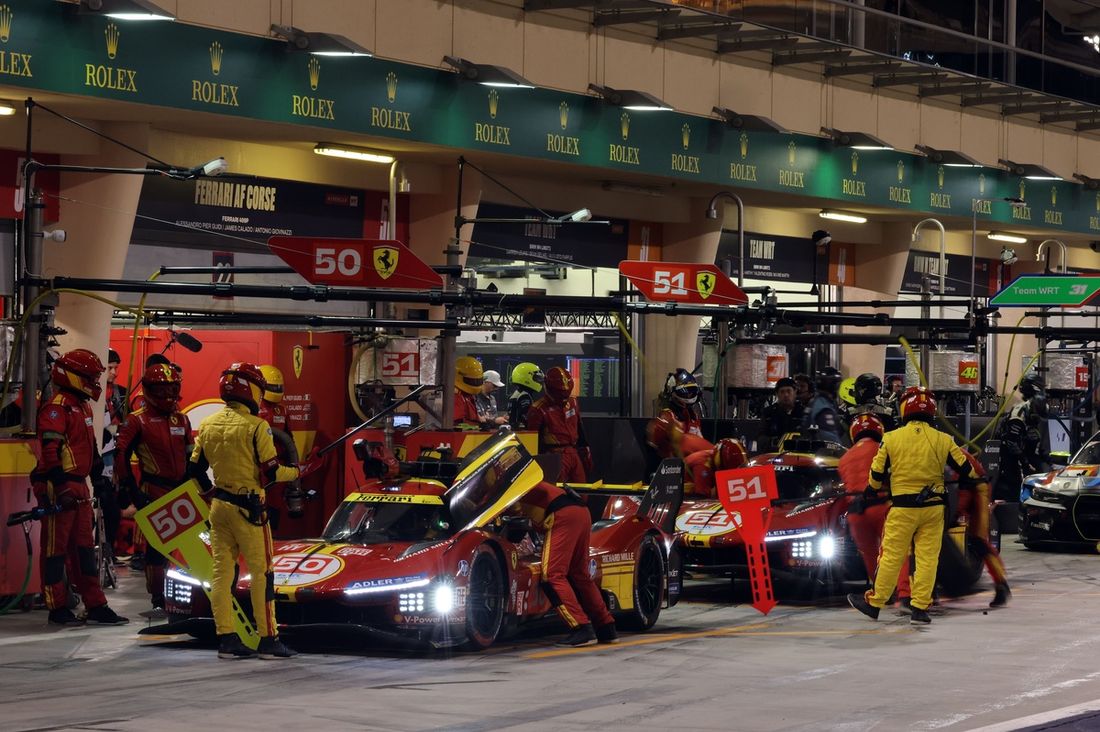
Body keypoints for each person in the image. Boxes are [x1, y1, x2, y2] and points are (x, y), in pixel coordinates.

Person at [189, 363, 299, 659]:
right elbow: (271, 472)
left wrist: (210, 494)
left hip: (219, 507)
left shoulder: (208, 424)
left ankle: (226, 639)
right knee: (263, 573)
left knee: (221, 574)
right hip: (250, 510)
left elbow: (194, 469)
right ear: (252, 390)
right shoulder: (257, 426)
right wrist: (296, 471)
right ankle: (268, 639)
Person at [848, 387, 978, 625]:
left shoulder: (891, 438)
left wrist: (871, 489)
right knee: (928, 558)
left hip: (902, 509)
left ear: (904, 408)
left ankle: (875, 603)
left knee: (891, 556)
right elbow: (967, 471)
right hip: (934, 509)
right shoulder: (944, 439)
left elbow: (876, 473)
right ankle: (920, 609)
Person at [31, 349, 128, 626]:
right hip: (59, 486)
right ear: (72, 376)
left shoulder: (82, 406)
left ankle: (95, 604)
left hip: (79, 487)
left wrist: (98, 477)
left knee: (85, 549)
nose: (94, 382)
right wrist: (61, 488)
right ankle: (57, 607)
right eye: (90, 377)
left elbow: (90, 446)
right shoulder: (56, 408)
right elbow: (50, 452)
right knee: (55, 551)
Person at [115, 363, 194, 611]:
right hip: (154, 491)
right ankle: (158, 598)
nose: (168, 394)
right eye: (162, 389)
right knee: (158, 549)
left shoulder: (182, 418)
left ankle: (190, 596)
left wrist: (200, 487)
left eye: (172, 388)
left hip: (182, 490)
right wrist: (132, 492)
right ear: (150, 390)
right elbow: (120, 455)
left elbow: (192, 457)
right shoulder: (136, 420)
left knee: (190, 545)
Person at [512, 480, 617, 646]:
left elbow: (514, 517)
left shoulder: (502, 491)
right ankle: (606, 627)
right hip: (581, 512)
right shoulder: (521, 478)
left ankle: (580, 627)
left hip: (563, 515)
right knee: (580, 574)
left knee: (551, 575)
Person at [838, 414, 910, 605]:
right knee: (897, 550)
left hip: (855, 514)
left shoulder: (844, 458)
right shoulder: (882, 448)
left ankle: (881, 595)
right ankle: (905, 594)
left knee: (870, 555)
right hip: (879, 506)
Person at [956, 450, 1010, 607]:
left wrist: (956, 514)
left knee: (978, 540)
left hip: (977, 488)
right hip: (963, 486)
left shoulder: (944, 450)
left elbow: (961, 487)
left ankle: (1001, 584)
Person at [526, 367, 593, 483]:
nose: (564, 397)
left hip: (573, 451)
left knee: (582, 488)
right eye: (560, 394)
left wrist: (585, 448)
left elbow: (579, 425)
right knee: (557, 489)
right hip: (553, 455)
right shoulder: (538, 409)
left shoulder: (573, 401)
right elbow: (534, 441)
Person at [258, 365, 304, 526]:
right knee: (258, 507)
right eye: (272, 387)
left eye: (278, 387)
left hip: (278, 466)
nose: (276, 390)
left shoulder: (282, 410)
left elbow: (289, 439)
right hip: (257, 467)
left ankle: (273, 536)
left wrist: (293, 465)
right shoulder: (253, 408)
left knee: (274, 507)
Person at [993, 373, 1048, 502]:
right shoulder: (1018, 414)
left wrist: (1047, 459)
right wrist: (1025, 462)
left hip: (1023, 449)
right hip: (1009, 453)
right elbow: (1011, 442)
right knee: (1013, 486)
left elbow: (1035, 439)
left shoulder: (1037, 408)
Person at [647, 369, 713, 460]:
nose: (689, 394)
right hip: (676, 464)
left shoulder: (694, 416)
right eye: (686, 391)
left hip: (697, 460)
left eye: (691, 390)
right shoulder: (668, 416)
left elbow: (699, 444)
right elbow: (655, 442)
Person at [758, 378, 804, 451]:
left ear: (795, 392)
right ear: (777, 394)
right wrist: (775, 441)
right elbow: (761, 437)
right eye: (782, 392)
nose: (786, 395)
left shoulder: (803, 412)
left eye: (789, 391)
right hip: (774, 453)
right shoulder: (769, 413)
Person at [801, 367, 843, 443]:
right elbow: (831, 439)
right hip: (820, 449)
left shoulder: (815, 402)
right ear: (833, 385)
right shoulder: (824, 407)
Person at [454, 356, 493, 431]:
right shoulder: (455, 396)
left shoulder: (468, 395)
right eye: (471, 380)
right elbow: (457, 424)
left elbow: (472, 417)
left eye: (478, 380)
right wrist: (478, 425)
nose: (475, 383)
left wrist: (482, 422)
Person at [508, 362, 545, 429]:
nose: (539, 381)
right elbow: (527, 417)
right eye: (536, 378)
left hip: (517, 430)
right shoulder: (524, 396)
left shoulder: (519, 393)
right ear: (526, 378)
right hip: (523, 432)